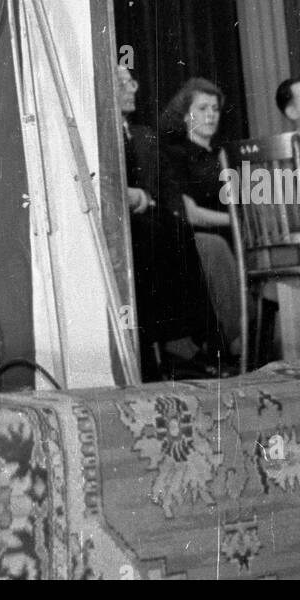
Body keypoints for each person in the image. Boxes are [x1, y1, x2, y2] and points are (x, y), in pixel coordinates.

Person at [118, 66, 229, 378]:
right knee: (167, 234)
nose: (132, 88)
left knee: (171, 230)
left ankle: (199, 341)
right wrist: (140, 198)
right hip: (132, 220)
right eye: (122, 82)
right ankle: (187, 342)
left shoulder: (143, 135)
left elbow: (164, 192)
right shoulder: (109, 136)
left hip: (157, 214)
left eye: (131, 80)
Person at [159, 77, 242, 363]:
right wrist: (236, 223)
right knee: (218, 246)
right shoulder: (174, 155)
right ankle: (234, 342)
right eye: (203, 107)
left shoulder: (223, 154)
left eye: (215, 109)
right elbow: (190, 212)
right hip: (196, 237)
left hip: (233, 231)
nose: (211, 115)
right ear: (185, 115)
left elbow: (236, 202)